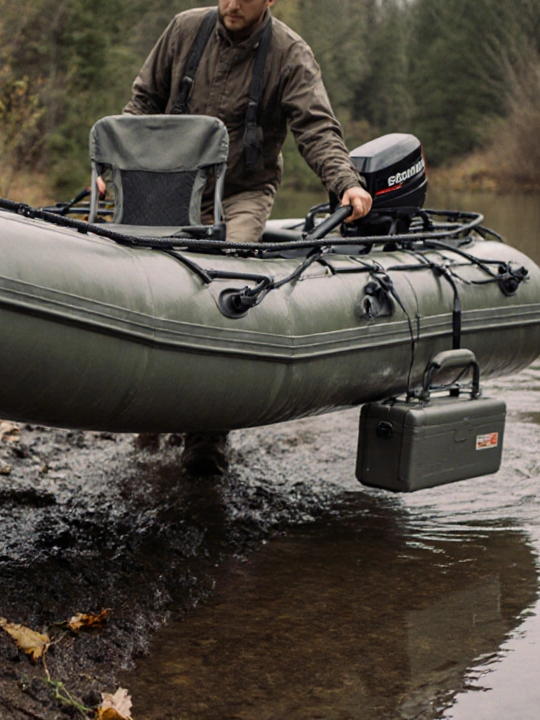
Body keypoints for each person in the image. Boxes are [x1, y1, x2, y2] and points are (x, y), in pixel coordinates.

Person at [122, 0, 372, 476]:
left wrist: (347, 182)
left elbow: (316, 128)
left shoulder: (289, 53)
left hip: (242, 190)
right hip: (172, 182)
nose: (232, 4)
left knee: (222, 285)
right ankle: (150, 413)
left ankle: (208, 435)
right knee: (151, 279)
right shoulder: (184, 30)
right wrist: (119, 163)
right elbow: (142, 104)